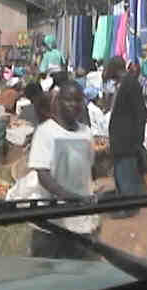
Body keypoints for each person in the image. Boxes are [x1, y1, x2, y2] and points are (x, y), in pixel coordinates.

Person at [27, 80, 99, 259]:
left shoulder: (86, 133)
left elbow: (89, 169)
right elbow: (43, 174)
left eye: (78, 100)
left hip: (80, 224)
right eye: (69, 100)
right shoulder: (45, 132)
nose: (74, 105)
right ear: (58, 102)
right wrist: (68, 196)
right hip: (51, 224)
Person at [106, 56, 147, 212]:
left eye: (109, 68)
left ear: (115, 69)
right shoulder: (122, 84)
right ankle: (125, 206)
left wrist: (137, 141)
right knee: (121, 176)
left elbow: (140, 113)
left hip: (127, 142)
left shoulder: (131, 84)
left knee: (126, 176)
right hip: (120, 141)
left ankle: (130, 210)